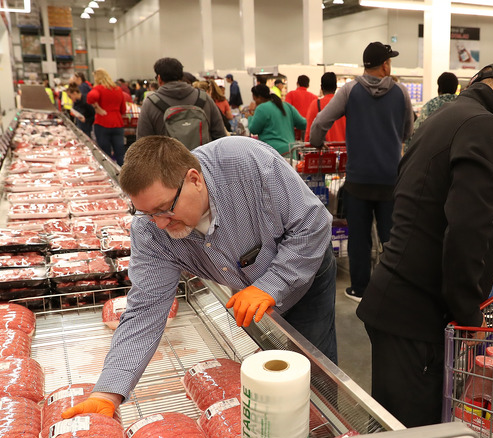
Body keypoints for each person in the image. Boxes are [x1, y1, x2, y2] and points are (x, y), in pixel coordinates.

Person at [58, 135, 338, 420]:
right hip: (249, 291)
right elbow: (146, 308)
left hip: (306, 274)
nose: (160, 224)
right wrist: (108, 392)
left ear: (194, 179)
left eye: (165, 209)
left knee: (314, 378)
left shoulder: (248, 163)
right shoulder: (150, 230)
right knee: (271, 374)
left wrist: (271, 284)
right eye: (146, 213)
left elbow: (311, 225)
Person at [356, 62, 493, 427]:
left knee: (393, 423)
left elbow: (441, 214)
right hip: (417, 313)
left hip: (396, 303)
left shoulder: (449, 117)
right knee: (413, 428)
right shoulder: (489, 126)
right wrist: (469, 313)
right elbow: (466, 229)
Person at [309, 41, 414, 302]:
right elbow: (408, 132)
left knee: (359, 238)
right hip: (391, 180)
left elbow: (321, 122)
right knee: (392, 238)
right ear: (385, 64)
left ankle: (360, 289)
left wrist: (315, 141)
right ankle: (392, 288)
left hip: (358, 181)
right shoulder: (401, 92)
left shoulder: (349, 90)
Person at [137, 57, 226, 143]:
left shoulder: (150, 103)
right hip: (201, 158)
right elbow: (220, 136)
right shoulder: (204, 98)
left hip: (167, 158)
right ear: (181, 76)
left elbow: (142, 144)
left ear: (159, 78)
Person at [247, 83, 307, 155]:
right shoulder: (287, 106)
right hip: (290, 151)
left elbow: (254, 129)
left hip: (273, 152)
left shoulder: (261, 108)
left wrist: (249, 117)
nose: (255, 102)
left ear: (259, 97)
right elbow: (303, 124)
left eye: (255, 99)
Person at [87, 69, 127, 165]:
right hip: (117, 123)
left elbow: (91, 97)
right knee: (120, 154)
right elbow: (123, 110)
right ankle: (123, 176)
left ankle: (110, 177)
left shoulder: (98, 89)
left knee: (106, 155)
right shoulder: (118, 89)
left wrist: (97, 107)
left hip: (102, 123)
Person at [305, 72, 345, 143]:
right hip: (344, 150)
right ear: (335, 87)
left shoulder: (316, 104)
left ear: (321, 87)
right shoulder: (344, 103)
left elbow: (309, 133)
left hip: (325, 151)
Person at [285, 75, 317, 140]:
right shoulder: (314, 97)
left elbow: (286, 110)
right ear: (308, 85)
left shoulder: (290, 94)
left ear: (297, 83)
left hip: (294, 129)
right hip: (309, 128)